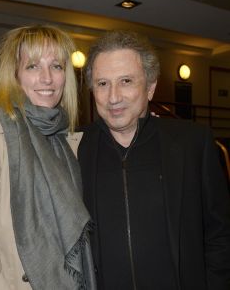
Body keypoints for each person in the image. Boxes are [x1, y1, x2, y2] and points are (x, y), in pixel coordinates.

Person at [78, 30, 230, 289]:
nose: (113, 97)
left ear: (150, 87)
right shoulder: (77, 149)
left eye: (126, 81)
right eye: (103, 83)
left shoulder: (192, 143)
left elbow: (220, 233)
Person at [0, 25, 96, 290]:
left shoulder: (66, 142)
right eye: (32, 66)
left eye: (56, 66)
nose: (47, 78)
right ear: (14, 75)